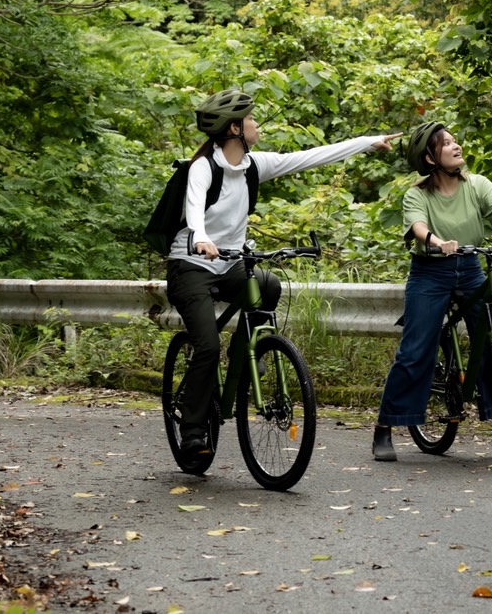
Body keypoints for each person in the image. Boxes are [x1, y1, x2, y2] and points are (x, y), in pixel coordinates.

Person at [167, 89, 399, 456]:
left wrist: (368, 142)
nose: (256, 124)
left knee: (268, 286)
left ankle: (246, 362)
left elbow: (309, 158)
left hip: (229, 263)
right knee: (208, 346)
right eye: (250, 119)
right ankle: (193, 428)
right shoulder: (203, 166)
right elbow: (194, 207)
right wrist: (200, 238)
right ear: (233, 128)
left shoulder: (254, 164)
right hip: (192, 265)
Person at [373, 120, 492, 461]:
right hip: (429, 272)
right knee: (415, 350)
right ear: (429, 158)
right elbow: (419, 227)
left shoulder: (477, 184)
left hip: (470, 268)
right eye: (447, 143)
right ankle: (385, 427)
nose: (457, 147)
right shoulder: (416, 194)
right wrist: (438, 242)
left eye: (456, 141)